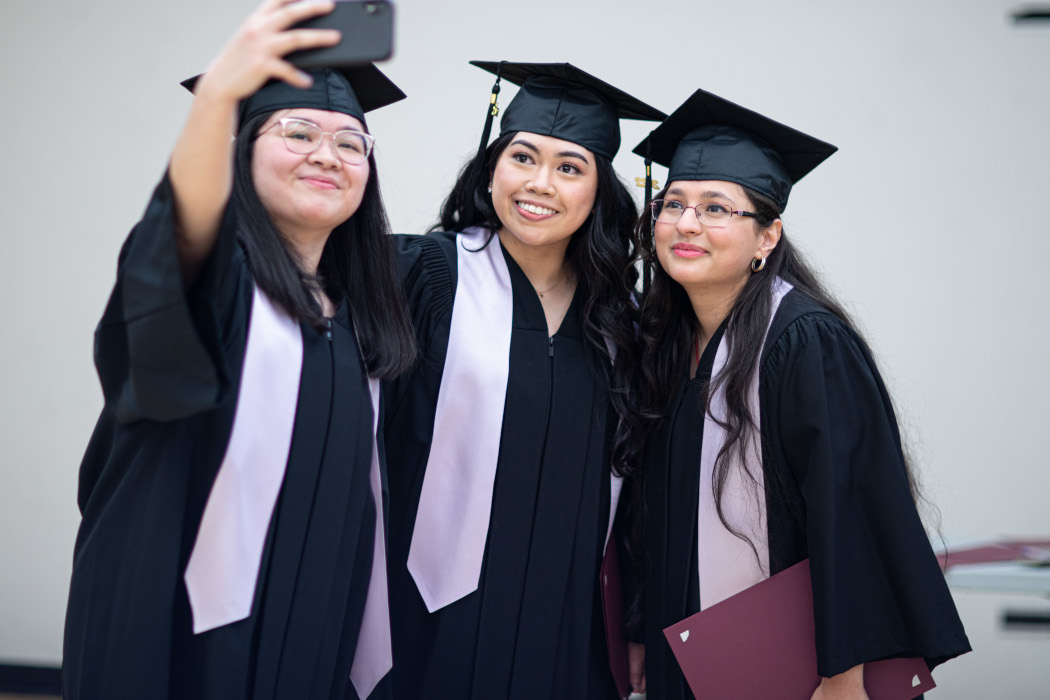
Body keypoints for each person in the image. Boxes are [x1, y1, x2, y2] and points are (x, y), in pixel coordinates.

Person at [62, 1, 415, 698]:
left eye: (351, 144)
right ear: (242, 146)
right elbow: (185, 227)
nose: (327, 155)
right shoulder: (216, 284)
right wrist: (220, 96)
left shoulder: (354, 323)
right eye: (298, 131)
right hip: (175, 633)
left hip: (305, 641)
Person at [622, 89, 971, 700]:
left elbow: (854, 510)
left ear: (767, 237)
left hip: (802, 667)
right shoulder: (666, 345)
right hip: (688, 653)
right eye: (673, 203)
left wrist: (845, 672)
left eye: (716, 208)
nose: (687, 223)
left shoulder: (807, 342)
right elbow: (652, 513)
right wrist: (639, 629)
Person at [380, 62, 664, 699]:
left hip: (565, 631)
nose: (540, 184)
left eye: (570, 167)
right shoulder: (423, 277)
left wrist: (639, 618)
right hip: (422, 621)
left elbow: (645, 491)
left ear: (598, 190)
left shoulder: (623, 325)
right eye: (523, 157)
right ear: (491, 167)